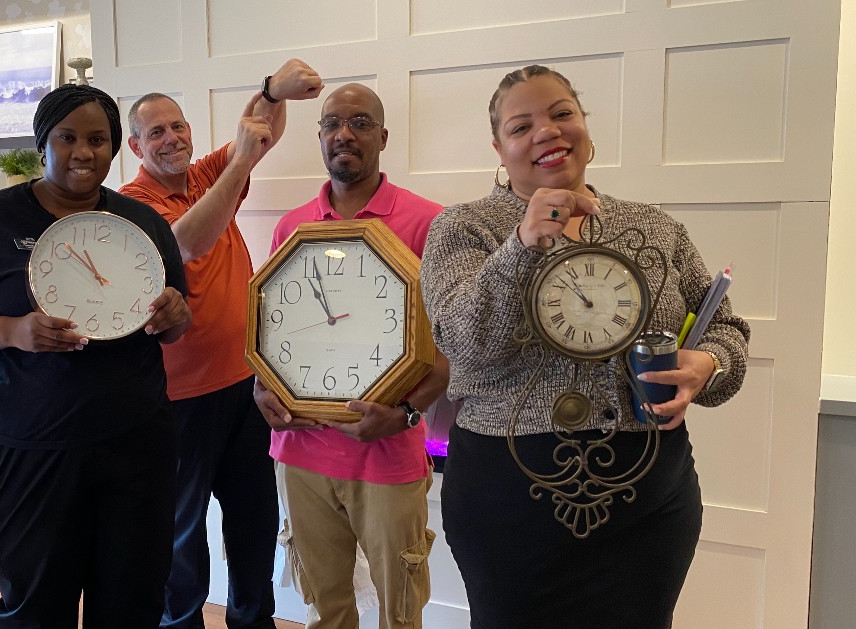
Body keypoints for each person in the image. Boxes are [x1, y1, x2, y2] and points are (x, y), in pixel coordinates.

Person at [419, 65, 751, 629]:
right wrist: (523, 244)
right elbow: (466, 345)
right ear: (499, 149)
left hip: (648, 500)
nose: (546, 132)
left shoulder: (653, 229)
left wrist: (706, 365)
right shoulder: (464, 230)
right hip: (507, 500)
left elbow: (726, 328)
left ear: (587, 133)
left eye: (561, 114)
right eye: (521, 126)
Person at [0, 84, 192, 628]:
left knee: (133, 600)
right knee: (34, 605)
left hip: (136, 448)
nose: (83, 152)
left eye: (98, 139)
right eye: (67, 137)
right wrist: (13, 330)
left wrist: (175, 316)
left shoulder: (144, 227)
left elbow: (171, 326)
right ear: (42, 143)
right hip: (28, 451)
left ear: (116, 148)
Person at [119, 59, 323, 629]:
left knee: (255, 522)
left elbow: (261, 132)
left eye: (177, 126)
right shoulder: (133, 206)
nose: (171, 139)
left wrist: (269, 91)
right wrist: (235, 167)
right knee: (182, 536)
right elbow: (188, 243)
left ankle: (252, 621)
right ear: (137, 147)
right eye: (155, 132)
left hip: (244, 388)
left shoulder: (208, 175)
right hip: (177, 401)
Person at [252, 83, 448, 628]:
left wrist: (407, 414)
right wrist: (262, 388)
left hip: (387, 456)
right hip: (299, 450)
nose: (344, 134)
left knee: (400, 609)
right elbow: (275, 330)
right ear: (319, 136)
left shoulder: (429, 223)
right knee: (324, 607)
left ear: (382, 136)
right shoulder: (292, 227)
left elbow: (455, 347)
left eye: (360, 123)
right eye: (332, 123)